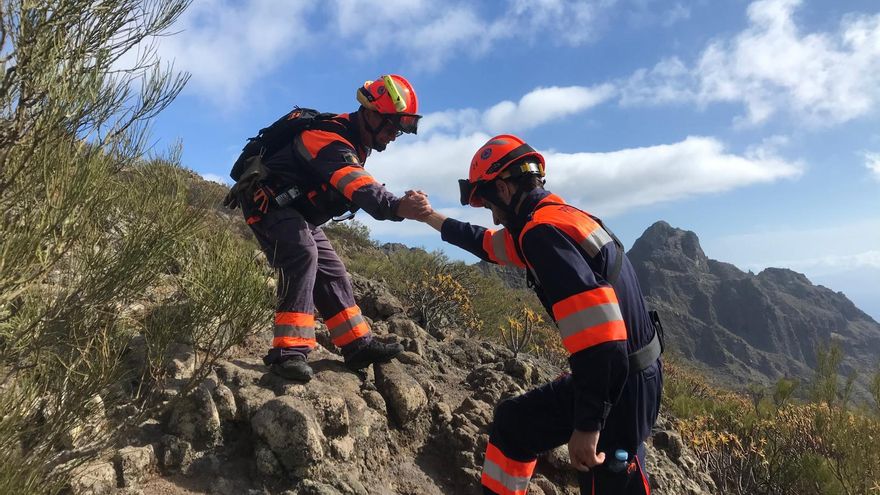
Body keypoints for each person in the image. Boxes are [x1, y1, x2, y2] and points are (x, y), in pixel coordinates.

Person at [413, 134, 663, 494]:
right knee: (515, 423)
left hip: (617, 380)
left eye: (489, 204)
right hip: (627, 371)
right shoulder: (558, 218)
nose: (494, 217)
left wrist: (589, 424)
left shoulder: (542, 234)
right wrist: (430, 217)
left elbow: (603, 340)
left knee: (607, 483)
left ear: (503, 188)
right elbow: (486, 244)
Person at [227, 74, 431, 382]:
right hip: (267, 204)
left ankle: (357, 344)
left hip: (294, 210)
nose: (393, 136)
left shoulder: (354, 142)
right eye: (390, 126)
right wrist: (396, 205)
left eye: (398, 131)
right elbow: (357, 185)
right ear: (371, 114)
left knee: (332, 269)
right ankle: (288, 352)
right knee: (302, 253)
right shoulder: (329, 137)